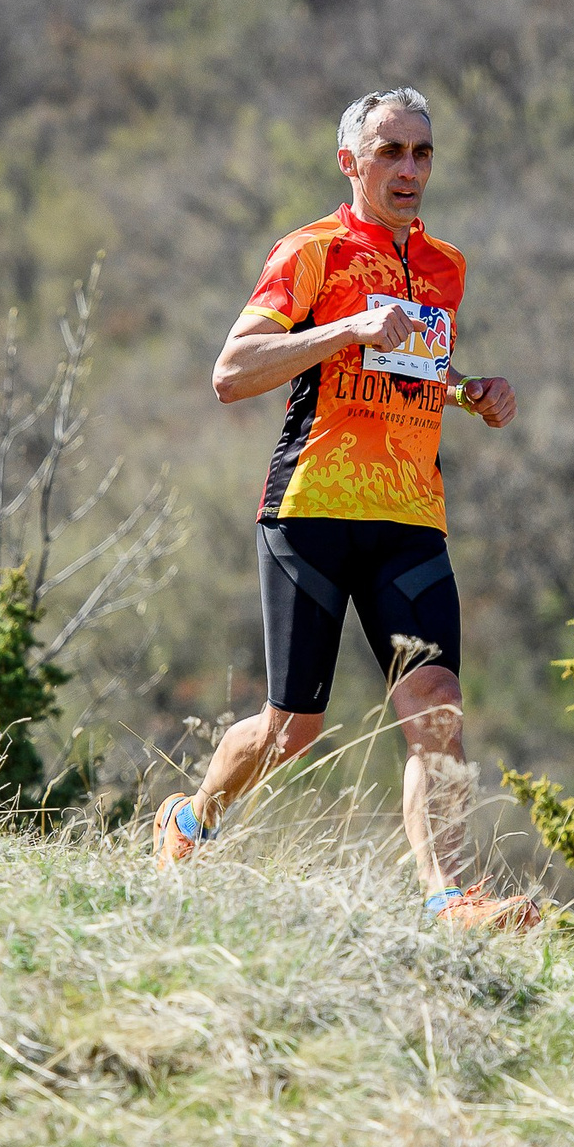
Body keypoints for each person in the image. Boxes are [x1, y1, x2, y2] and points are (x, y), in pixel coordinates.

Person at [154, 87, 534, 927]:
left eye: (422, 152)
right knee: (294, 728)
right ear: (349, 163)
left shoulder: (446, 265)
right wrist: (347, 329)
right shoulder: (312, 252)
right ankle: (191, 820)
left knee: (435, 705)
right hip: (312, 509)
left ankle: (450, 899)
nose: (409, 168)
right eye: (390, 151)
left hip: (410, 517)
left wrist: (474, 391)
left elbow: (415, 365)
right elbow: (231, 373)